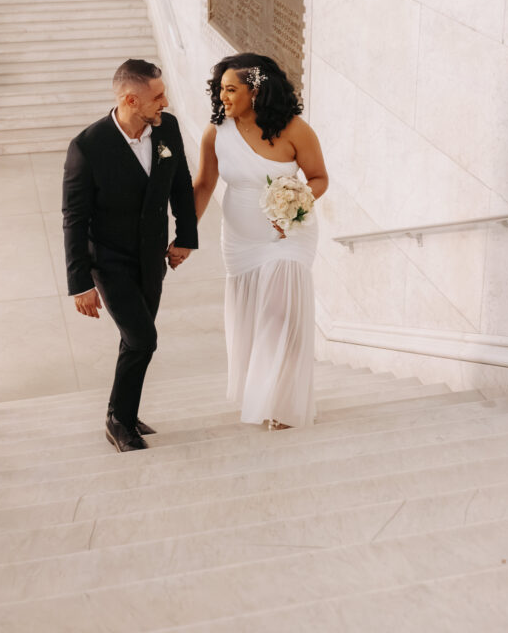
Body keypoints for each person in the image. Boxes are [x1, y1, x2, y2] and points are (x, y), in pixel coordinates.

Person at [187, 53, 328, 429]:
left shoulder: (296, 130)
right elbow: (203, 184)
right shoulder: (216, 132)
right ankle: (263, 394)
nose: (223, 98)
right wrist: (184, 236)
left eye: (231, 90)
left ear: (256, 91)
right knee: (255, 315)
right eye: (220, 90)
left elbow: (318, 178)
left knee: (280, 314)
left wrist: (294, 206)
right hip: (239, 241)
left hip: (289, 236)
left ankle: (282, 404)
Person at [62, 59, 198, 452]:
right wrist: (81, 283)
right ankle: (118, 421)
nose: (165, 102)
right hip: (109, 261)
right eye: (157, 97)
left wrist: (185, 236)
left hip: (152, 257)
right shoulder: (87, 147)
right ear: (129, 99)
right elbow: (74, 219)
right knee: (142, 339)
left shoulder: (166, 128)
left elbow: (182, 185)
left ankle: (124, 410)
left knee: (135, 339)